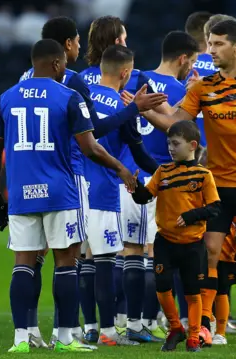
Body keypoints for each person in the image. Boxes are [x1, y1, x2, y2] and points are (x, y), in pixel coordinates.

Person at [141, 19, 236, 348]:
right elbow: (176, 125)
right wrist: (140, 111)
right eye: (209, 43)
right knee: (209, 252)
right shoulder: (202, 87)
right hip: (218, 186)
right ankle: (206, 324)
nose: (209, 50)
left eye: (217, 44)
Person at [17, 17, 166, 348]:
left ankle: (38, 330)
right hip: (82, 183)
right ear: (67, 46)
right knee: (87, 260)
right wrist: (135, 113)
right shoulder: (74, 83)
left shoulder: (24, 81)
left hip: (33, 179)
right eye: (76, 41)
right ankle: (101, 330)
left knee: (41, 259)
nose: (80, 46)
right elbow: (95, 134)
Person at [0, 39, 136, 354]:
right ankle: (65, 337)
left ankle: (21, 339)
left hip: (22, 193)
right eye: (64, 64)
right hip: (61, 192)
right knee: (66, 262)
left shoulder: (6, 98)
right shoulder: (69, 97)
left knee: (23, 263)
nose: (67, 68)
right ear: (56, 64)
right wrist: (121, 168)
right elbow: (90, 147)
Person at [79, 15, 170, 342]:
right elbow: (134, 145)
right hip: (110, 185)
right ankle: (116, 327)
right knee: (124, 256)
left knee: (84, 259)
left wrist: (160, 176)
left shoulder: (78, 86)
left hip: (77, 187)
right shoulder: (124, 98)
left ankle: (88, 327)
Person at [131, 120, 220, 353]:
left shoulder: (203, 175)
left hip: (192, 244)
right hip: (165, 241)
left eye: (175, 143)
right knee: (162, 286)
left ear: (192, 145)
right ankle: (175, 327)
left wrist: (192, 215)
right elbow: (146, 197)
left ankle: (193, 336)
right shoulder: (163, 171)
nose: (171, 148)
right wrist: (136, 189)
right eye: (169, 143)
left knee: (192, 291)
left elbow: (214, 208)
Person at [140, 30, 202, 337]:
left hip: (132, 176)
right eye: (191, 61)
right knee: (172, 252)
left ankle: (131, 320)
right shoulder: (184, 92)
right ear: (183, 58)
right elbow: (190, 133)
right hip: (167, 179)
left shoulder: (137, 79)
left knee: (130, 255)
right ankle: (164, 321)